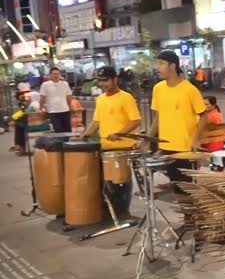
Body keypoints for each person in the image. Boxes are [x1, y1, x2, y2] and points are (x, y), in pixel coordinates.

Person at [76, 66, 141, 217]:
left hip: (122, 148)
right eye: (100, 81)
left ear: (115, 80)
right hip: (105, 147)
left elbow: (136, 120)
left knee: (121, 182)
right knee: (109, 184)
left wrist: (119, 133)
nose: (103, 84)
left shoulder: (126, 97)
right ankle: (113, 213)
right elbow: (96, 122)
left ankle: (124, 213)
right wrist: (84, 135)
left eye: (106, 80)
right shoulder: (100, 99)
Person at [150, 50, 209, 190]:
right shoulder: (158, 89)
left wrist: (195, 139)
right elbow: (158, 117)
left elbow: (204, 116)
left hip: (184, 148)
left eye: (161, 63)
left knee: (188, 190)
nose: (158, 67)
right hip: (165, 147)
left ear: (172, 66)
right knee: (176, 187)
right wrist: (148, 139)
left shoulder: (189, 90)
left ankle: (190, 213)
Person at [40, 67, 73, 133]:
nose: (56, 75)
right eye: (54, 74)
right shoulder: (45, 85)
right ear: (50, 75)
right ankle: (61, 143)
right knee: (58, 130)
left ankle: (67, 143)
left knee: (68, 130)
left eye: (57, 74)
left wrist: (69, 106)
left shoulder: (65, 84)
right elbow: (42, 97)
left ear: (60, 74)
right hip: (53, 111)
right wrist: (42, 107)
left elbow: (69, 96)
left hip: (65, 110)